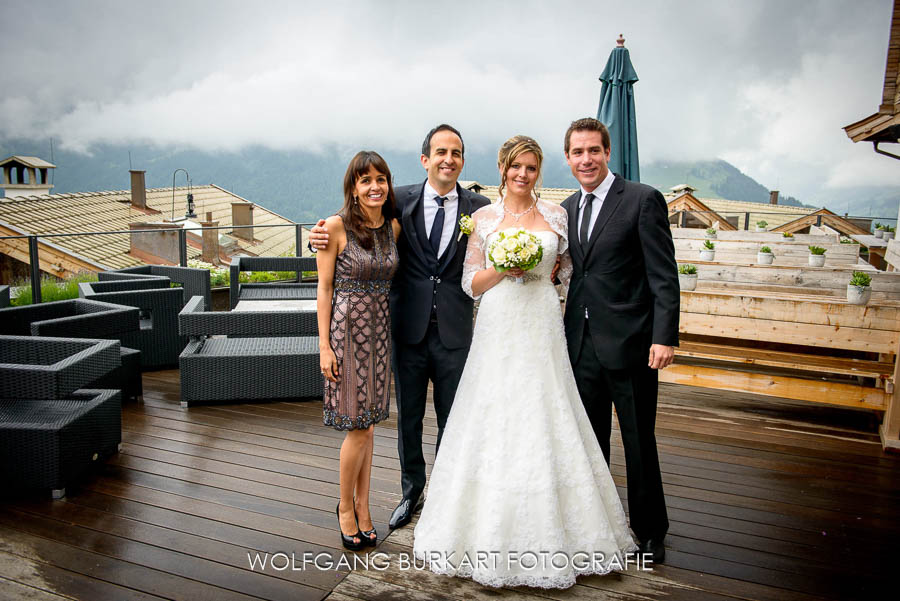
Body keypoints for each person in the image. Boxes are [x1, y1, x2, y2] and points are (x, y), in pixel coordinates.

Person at [413, 135, 636, 589]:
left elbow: (574, 270)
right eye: (515, 167)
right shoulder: (482, 218)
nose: (522, 175)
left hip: (541, 324)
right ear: (502, 168)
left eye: (531, 168)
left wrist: (548, 275)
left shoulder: (558, 215)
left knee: (547, 411)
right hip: (498, 326)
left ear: (539, 172)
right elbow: (469, 283)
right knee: (493, 416)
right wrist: (506, 268)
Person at [309, 124, 490, 531]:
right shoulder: (400, 201)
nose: (448, 159)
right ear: (424, 159)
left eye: (456, 153)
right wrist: (316, 238)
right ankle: (411, 492)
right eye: (440, 152)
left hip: (455, 330)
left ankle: (447, 494)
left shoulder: (479, 207)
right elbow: (350, 230)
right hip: (401, 331)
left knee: (453, 418)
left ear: (462, 161)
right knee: (407, 419)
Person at [560, 118, 679, 564]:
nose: (586, 159)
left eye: (593, 150)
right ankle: (601, 526)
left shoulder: (642, 200)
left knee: (639, 442)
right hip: (581, 344)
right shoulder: (566, 208)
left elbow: (663, 276)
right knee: (591, 442)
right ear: (568, 158)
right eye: (577, 152)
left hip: (632, 344)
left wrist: (663, 337)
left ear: (607, 152)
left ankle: (651, 532)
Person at [316, 150, 401, 551]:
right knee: (357, 427)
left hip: (381, 332)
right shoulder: (334, 227)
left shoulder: (393, 228)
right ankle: (345, 508)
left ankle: (364, 507)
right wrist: (324, 347)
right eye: (365, 179)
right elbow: (325, 289)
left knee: (369, 425)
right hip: (347, 333)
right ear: (353, 187)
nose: (374, 186)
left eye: (380, 178)